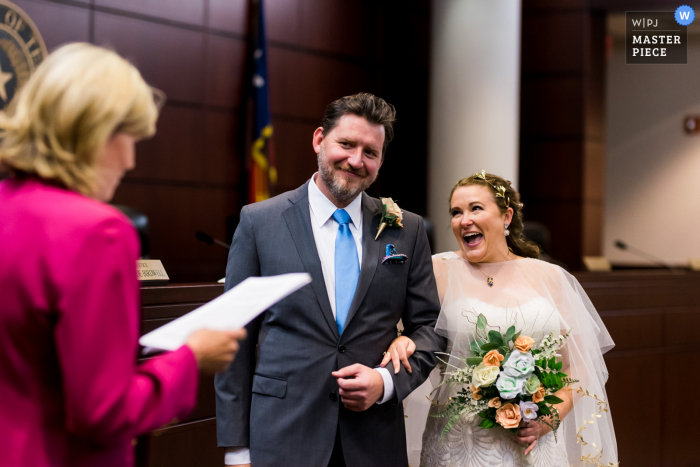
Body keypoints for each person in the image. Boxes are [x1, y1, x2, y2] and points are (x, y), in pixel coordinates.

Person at [0, 43, 246, 467]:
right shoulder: (98, 231)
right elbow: (103, 411)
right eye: (129, 138)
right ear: (94, 131)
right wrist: (190, 360)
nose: (131, 160)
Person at [215, 93, 446, 467]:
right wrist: (236, 448)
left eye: (370, 152)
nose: (356, 160)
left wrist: (385, 383)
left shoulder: (407, 229)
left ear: (380, 161)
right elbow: (233, 338)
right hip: (282, 436)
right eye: (346, 144)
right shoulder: (260, 222)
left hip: (373, 441)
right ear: (319, 139)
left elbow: (431, 329)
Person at [383, 172, 618, 467]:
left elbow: (580, 365)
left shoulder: (551, 277)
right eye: (456, 212)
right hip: (459, 446)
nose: (463, 220)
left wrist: (549, 418)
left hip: (536, 443)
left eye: (475, 209)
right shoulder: (437, 271)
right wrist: (403, 338)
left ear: (506, 217)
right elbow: (414, 330)